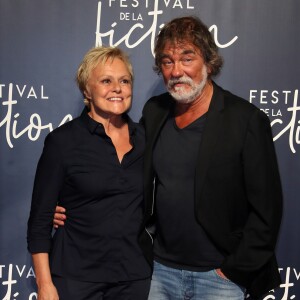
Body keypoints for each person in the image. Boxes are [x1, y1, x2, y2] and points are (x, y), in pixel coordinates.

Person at [54, 16, 283, 299]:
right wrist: (73, 206)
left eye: (187, 59)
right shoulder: (155, 112)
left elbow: (267, 211)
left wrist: (234, 270)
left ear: (208, 63)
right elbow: (117, 163)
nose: (176, 71)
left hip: (219, 278)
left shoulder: (246, 120)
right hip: (159, 272)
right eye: (167, 61)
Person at [27, 46, 151, 300]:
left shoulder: (147, 139)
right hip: (76, 279)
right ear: (87, 90)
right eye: (106, 80)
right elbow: (39, 222)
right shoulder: (62, 142)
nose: (117, 88)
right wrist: (44, 285)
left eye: (124, 80)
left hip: (135, 279)